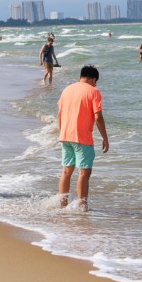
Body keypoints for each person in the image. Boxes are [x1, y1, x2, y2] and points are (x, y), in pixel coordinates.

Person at [56, 65, 109, 210]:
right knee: (84, 173)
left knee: (66, 171)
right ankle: (82, 206)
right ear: (93, 79)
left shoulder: (66, 90)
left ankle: (63, 204)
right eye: (95, 82)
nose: (95, 84)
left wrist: (62, 132)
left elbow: (60, 114)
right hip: (82, 137)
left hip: (65, 135)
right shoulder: (94, 92)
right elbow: (98, 116)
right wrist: (105, 137)